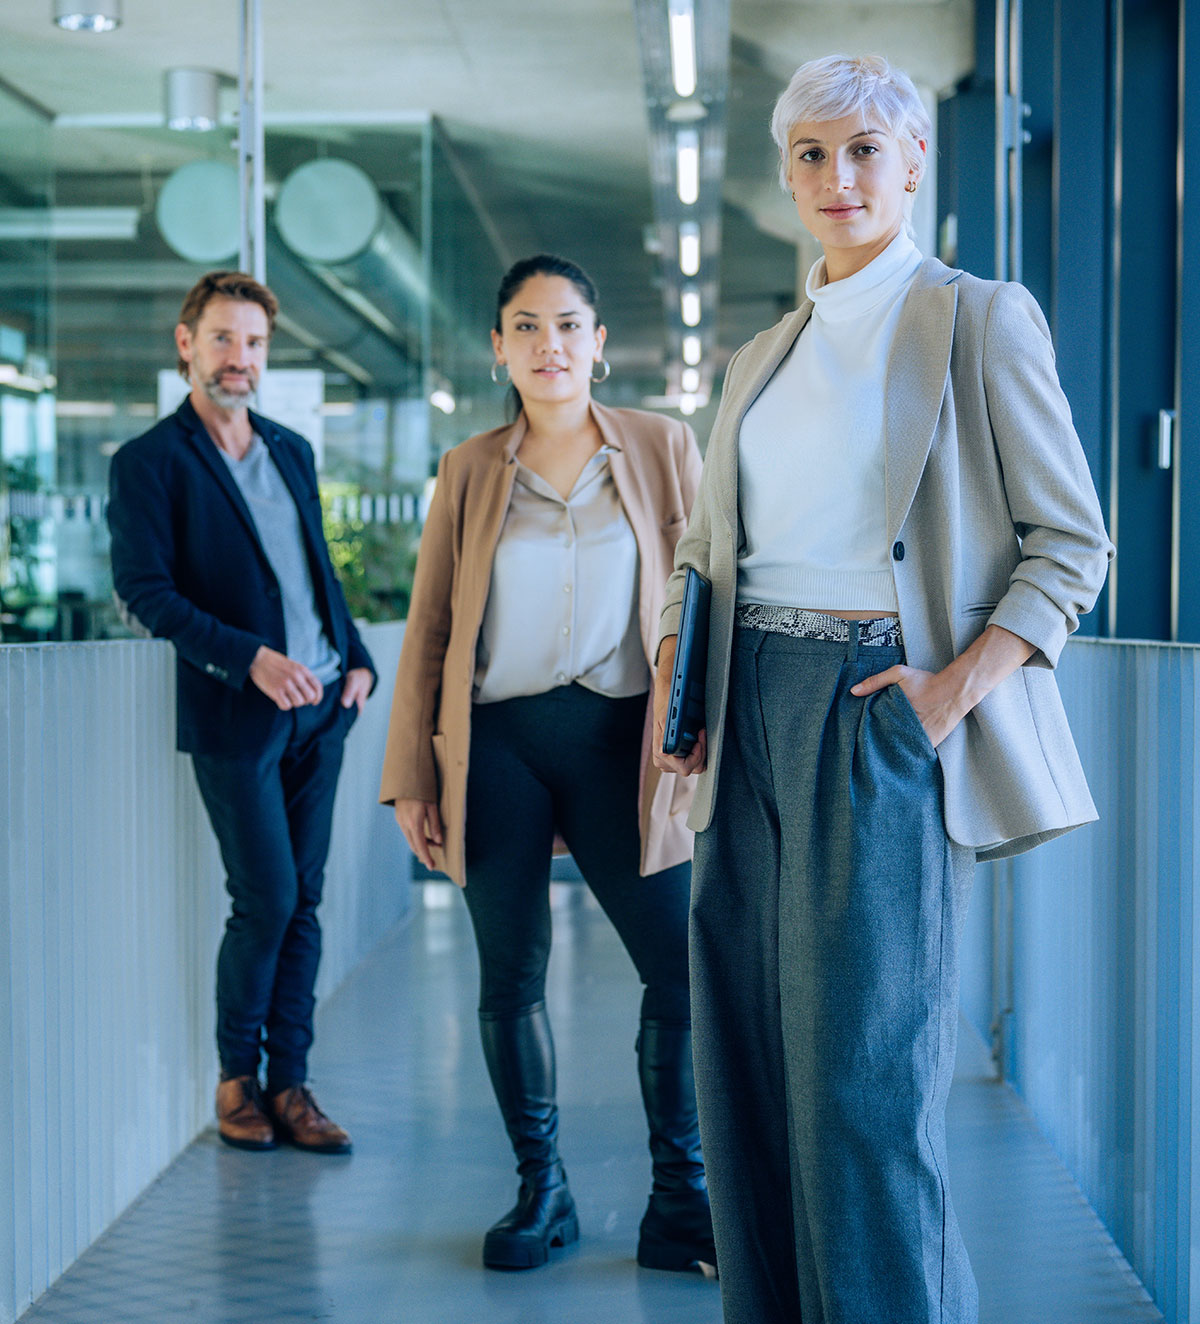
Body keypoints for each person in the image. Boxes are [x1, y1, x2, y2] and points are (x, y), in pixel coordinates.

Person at [652, 54, 1114, 1324]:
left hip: (878, 709)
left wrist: (953, 691)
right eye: (811, 154)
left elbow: (1072, 542)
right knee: (745, 1058)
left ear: (914, 162)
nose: (837, 177)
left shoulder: (976, 316)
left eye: (864, 151)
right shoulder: (759, 356)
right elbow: (705, 549)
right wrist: (680, 705)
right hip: (746, 705)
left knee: (863, 1076)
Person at [379, 254, 714, 1273]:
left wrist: (706, 735)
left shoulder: (663, 449)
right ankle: (542, 1190)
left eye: (568, 325)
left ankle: (679, 1201)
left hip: (625, 739)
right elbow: (431, 625)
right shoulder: (469, 469)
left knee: (680, 970)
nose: (549, 345)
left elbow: (709, 597)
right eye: (526, 327)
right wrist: (411, 778)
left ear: (599, 342)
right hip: (500, 747)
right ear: (499, 348)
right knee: (508, 973)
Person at [108, 270, 375, 1156]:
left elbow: (317, 573)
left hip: (321, 714)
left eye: (254, 342)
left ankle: (292, 1084)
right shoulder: (150, 463)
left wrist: (359, 659)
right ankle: (236, 1082)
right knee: (265, 900)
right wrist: (248, 659)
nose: (239, 358)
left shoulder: (291, 450)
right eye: (222, 338)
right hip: (237, 716)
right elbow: (145, 591)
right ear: (186, 343)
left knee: (306, 904)